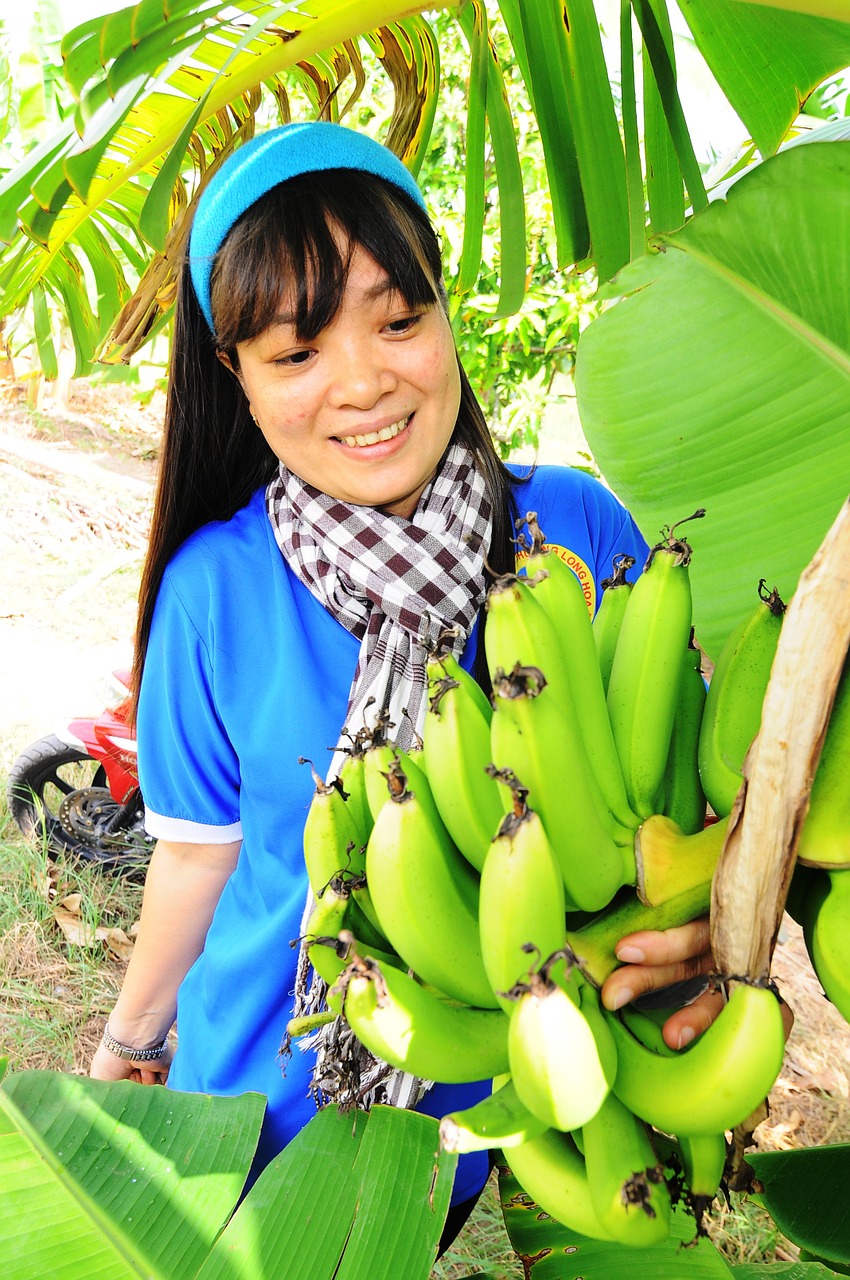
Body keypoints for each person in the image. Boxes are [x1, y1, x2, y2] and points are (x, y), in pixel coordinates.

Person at [89, 121, 721, 1236]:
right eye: (296, 353)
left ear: (444, 311)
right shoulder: (217, 590)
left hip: (453, 1101)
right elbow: (196, 855)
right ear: (235, 377)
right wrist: (134, 1037)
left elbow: (674, 793)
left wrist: (710, 909)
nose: (365, 383)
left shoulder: (575, 532)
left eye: (397, 318)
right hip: (243, 1101)